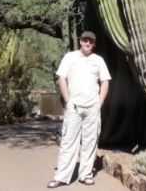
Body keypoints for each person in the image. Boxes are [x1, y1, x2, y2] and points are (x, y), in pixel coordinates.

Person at [47, 31, 111, 188]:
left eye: (90, 41)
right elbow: (61, 77)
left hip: (92, 108)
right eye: (84, 40)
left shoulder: (98, 60)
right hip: (74, 107)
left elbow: (105, 81)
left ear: (94, 44)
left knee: (90, 142)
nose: (87, 43)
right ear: (80, 42)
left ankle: (86, 174)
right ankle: (61, 176)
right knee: (68, 141)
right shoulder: (70, 57)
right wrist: (68, 99)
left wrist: (100, 102)